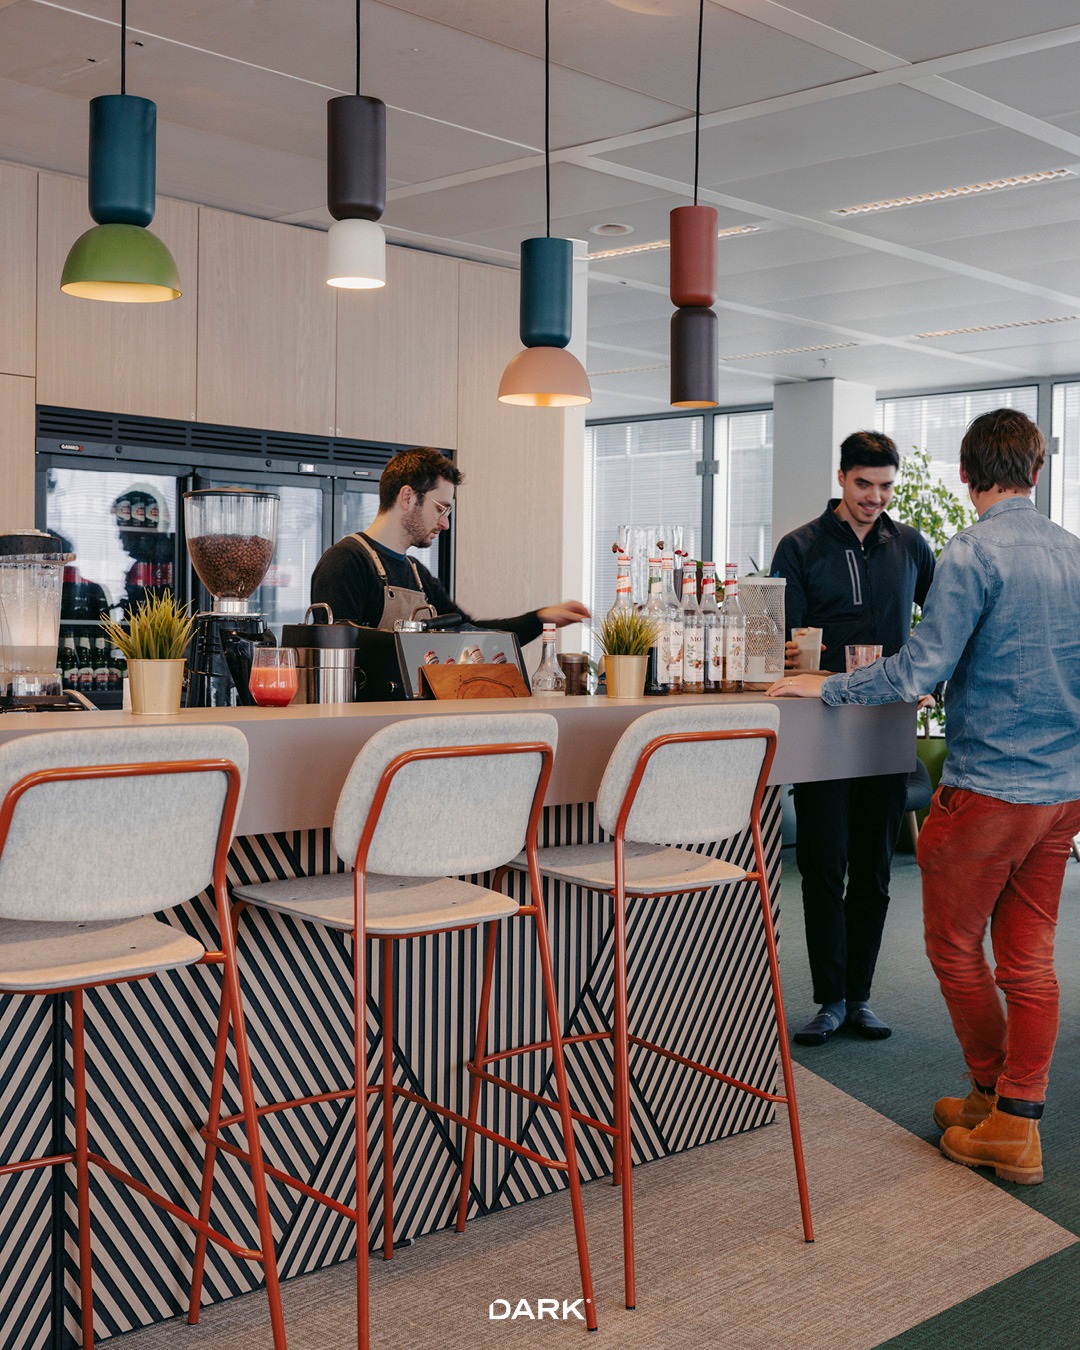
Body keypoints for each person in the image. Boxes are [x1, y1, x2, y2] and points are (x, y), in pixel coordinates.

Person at [769, 408, 1080, 1184]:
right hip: (1061, 795)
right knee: (1030, 961)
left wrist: (832, 685)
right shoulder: (1074, 552)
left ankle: (1004, 1108)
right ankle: (1008, 1110)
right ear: (1035, 473)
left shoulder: (969, 552)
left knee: (952, 947)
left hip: (989, 790)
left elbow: (917, 672)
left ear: (967, 476)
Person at [769, 430, 936, 1047]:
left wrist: (928, 680)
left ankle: (861, 997)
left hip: (887, 727)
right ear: (842, 478)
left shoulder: (912, 546)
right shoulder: (801, 547)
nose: (875, 497)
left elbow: (941, 626)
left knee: (873, 867)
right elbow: (780, 640)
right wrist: (790, 655)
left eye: (886, 486)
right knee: (822, 863)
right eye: (864, 484)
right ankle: (829, 999)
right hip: (822, 728)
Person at [311, 446, 588, 641]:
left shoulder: (418, 575)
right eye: (440, 509)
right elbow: (337, 660)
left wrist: (541, 619)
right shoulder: (346, 562)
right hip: (362, 724)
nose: (445, 524)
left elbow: (470, 633)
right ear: (407, 497)